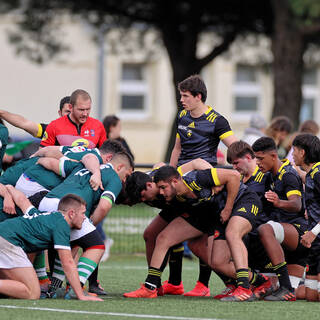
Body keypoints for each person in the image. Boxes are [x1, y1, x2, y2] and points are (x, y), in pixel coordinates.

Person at [168, 74, 238, 296]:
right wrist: (169, 174)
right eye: (181, 96)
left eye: (186, 96)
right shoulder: (182, 116)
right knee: (174, 230)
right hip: (181, 178)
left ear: (198, 97)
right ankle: (174, 282)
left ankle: (203, 285)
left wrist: (221, 175)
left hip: (203, 183)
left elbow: (235, 148)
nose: (182, 100)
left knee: (204, 237)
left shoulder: (217, 120)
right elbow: (177, 149)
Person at [37, 151, 133, 298]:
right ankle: (77, 287)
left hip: (46, 202)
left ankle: (53, 289)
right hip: (68, 209)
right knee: (97, 245)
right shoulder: (114, 177)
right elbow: (104, 206)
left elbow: (51, 162)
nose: (125, 181)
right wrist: (90, 225)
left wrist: (36, 158)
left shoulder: (83, 166)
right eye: (126, 175)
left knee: (70, 245)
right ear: (120, 167)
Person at [0, 188, 102, 301]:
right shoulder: (61, 224)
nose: (84, 217)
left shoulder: (45, 216)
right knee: (32, 292)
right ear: (71, 213)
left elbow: (22, 200)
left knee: (14, 289)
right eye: (83, 213)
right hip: (7, 240)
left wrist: (8, 187)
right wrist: (81, 295)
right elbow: (67, 263)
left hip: (4, 236)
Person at [252, 136, 309, 301]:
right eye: (256, 158)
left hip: (298, 232)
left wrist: (279, 202)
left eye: (260, 158)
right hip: (288, 243)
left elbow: (296, 204)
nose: (257, 162)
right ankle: (287, 287)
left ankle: (284, 286)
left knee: (265, 229)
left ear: (273, 156)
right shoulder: (270, 175)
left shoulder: (288, 174)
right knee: (306, 294)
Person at [292, 133, 320, 302]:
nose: (292, 154)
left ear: (302, 152)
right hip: (315, 244)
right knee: (311, 297)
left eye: (294, 150)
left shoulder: (318, 174)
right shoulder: (311, 173)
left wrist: (313, 231)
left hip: (316, 237)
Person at [40, 89, 106, 148]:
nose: (85, 114)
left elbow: (106, 155)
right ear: (70, 107)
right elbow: (42, 153)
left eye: (88, 109)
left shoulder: (98, 125)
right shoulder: (54, 126)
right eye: (81, 110)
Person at [0, 96, 71, 140]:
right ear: (60, 113)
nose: (71, 115)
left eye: (74, 112)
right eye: (67, 111)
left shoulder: (82, 131)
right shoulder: (51, 130)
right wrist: (1, 113)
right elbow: (24, 123)